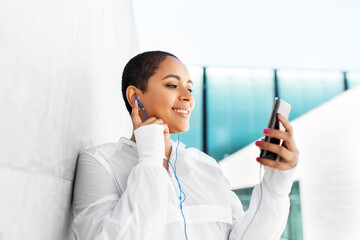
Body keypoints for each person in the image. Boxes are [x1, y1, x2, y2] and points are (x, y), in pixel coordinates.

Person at [71, 51, 299, 240]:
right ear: (135, 97)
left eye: (189, 88)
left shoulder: (206, 166)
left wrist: (277, 185)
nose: (188, 97)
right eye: (172, 85)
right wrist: (151, 158)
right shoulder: (100, 163)